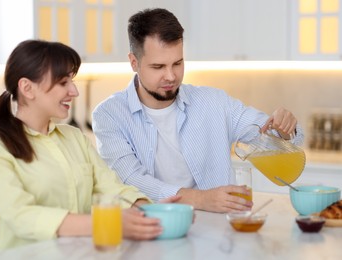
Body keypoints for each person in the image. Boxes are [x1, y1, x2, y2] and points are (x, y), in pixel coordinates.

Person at [92, 8, 304, 213]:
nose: (171, 76)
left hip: (218, 235)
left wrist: (285, 128)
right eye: (158, 67)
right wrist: (201, 199)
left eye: (177, 63)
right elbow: (131, 180)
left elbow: (273, 138)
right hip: (150, 233)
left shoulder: (214, 102)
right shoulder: (109, 115)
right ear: (134, 62)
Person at [0, 40, 166, 252]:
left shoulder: (75, 138)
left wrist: (154, 212)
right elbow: (21, 215)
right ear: (27, 88)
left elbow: (111, 189)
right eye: (63, 82)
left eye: (71, 81)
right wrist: (110, 222)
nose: (74, 91)